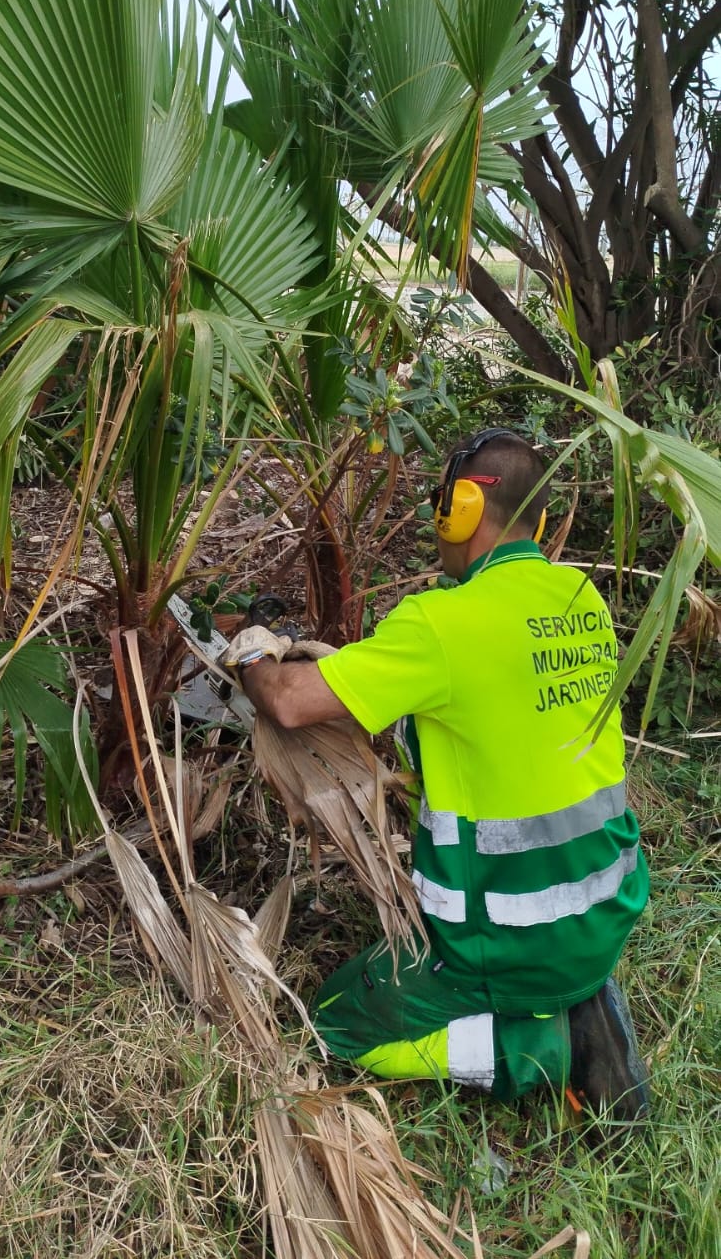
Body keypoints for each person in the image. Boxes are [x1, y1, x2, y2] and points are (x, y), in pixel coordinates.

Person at [225, 427, 650, 1119]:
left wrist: (251, 653)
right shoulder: (580, 598)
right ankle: (578, 991)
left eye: (439, 505)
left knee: (335, 1022)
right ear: (537, 520)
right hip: (605, 908)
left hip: (509, 937)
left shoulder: (439, 622)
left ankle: (548, 1044)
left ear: (461, 508)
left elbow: (290, 701)